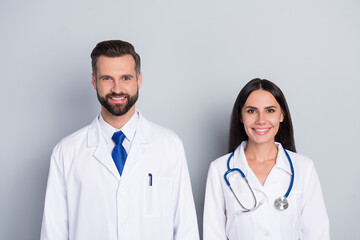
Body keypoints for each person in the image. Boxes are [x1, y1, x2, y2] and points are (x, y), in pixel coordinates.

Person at [41, 40, 199, 240]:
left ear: (139, 80)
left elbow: (185, 228)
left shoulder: (169, 145)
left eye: (125, 78)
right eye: (107, 78)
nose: (117, 89)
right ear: (94, 81)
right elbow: (54, 233)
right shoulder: (66, 152)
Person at [203, 78, 330, 239]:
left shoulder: (304, 168)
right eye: (251, 111)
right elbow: (213, 234)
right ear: (241, 116)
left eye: (270, 110)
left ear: (282, 115)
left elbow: (317, 233)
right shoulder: (219, 169)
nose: (261, 120)